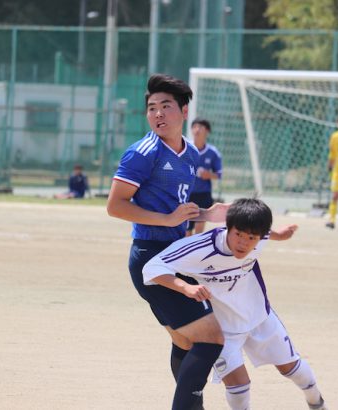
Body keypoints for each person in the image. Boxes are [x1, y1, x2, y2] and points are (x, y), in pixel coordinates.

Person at [107, 73, 229, 410]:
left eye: (166, 106)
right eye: (151, 108)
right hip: (150, 258)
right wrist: (167, 220)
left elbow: (178, 209)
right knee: (212, 336)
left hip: (176, 255)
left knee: (187, 341)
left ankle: (190, 405)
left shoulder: (190, 155)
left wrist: (208, 214)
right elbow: (115, 206)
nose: (158, 114)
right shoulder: (142, 153)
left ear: (184, 111)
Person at [143, 198, 328, 410]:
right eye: (238, 234)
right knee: (239, 385)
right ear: (227, 227)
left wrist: (281, 235)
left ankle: (317, 402)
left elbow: (266, 233)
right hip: (223, 330)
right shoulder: (200, 247)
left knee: (292, 369)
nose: (243, 242)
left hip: (259, 317)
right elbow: (151, 268)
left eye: (251, 238)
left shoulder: (260, 238)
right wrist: (185, 287)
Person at [186, 117, 223, 236]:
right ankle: (186, 253)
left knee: (199, 228)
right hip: (186, 192)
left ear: (207, 131)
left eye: (200, 127)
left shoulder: (213, 152)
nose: (197, 130)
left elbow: (219, 174)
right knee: (186, 229)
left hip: (203, 193)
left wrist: (208, 175)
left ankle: (196, 251)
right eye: (194, 126)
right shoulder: (185, 148)